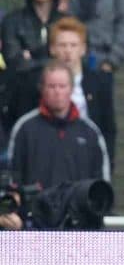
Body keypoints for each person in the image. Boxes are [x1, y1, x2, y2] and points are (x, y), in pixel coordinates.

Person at [9, 16, 117, 164]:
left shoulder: (99, 83)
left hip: (86, 158)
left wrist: (107, 163)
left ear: (83, 49)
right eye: (62, 45)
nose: (68, 51)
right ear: (52, 48)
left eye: (73, 45)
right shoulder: (34, 83)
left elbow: (108, 128)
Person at [7, 60, 110, 188]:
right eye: (51, 86)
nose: (57, 92)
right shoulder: (24, 129)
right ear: (42, 89)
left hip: (79, 207)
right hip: (35, 207)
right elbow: (13, 175)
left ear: (71, 89)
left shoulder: (90, 132)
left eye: (62, 86)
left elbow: (102, 182)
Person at [1, 0, 63, 72]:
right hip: (21, 85)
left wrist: (32, 56)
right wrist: (51, 58)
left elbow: (72, 60)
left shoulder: (66, 22)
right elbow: (14, 61)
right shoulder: (12, 21)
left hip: (60, 85)